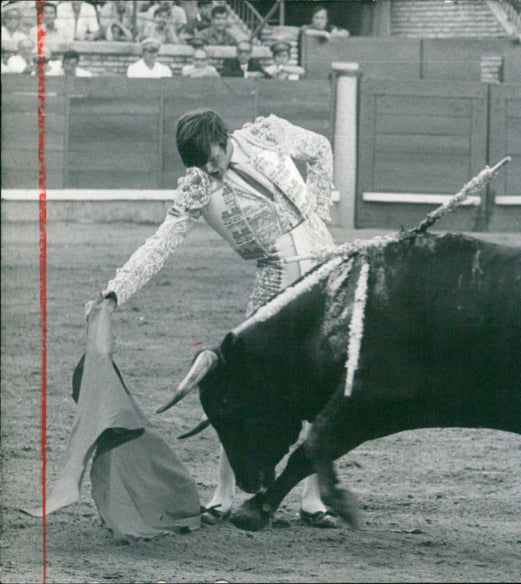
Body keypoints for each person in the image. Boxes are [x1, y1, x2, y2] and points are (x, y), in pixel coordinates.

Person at [85, 109, 340, 529]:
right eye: (197, 161)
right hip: (274, 283)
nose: (206, 166)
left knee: (321, 382)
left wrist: (320, 215)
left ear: (223, 139)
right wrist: (114, 292)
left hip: (325, 274)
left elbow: (320, 149)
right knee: (238, 387)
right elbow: (160, 244)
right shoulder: (199, 187)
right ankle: (223, 494)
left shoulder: (267, 134)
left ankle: (312, 500)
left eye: (210, 156)